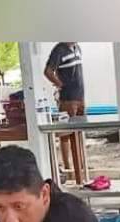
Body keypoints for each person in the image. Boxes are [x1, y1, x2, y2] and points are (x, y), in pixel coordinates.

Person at [44, 42, 86, 177]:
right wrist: (60, 84)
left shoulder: (77, 47)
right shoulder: (59, 49)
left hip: (80, 96)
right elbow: (48, 71)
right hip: (68, 98)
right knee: (66, 134)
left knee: (78, 132)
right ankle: (68, 167)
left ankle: (80, 164)